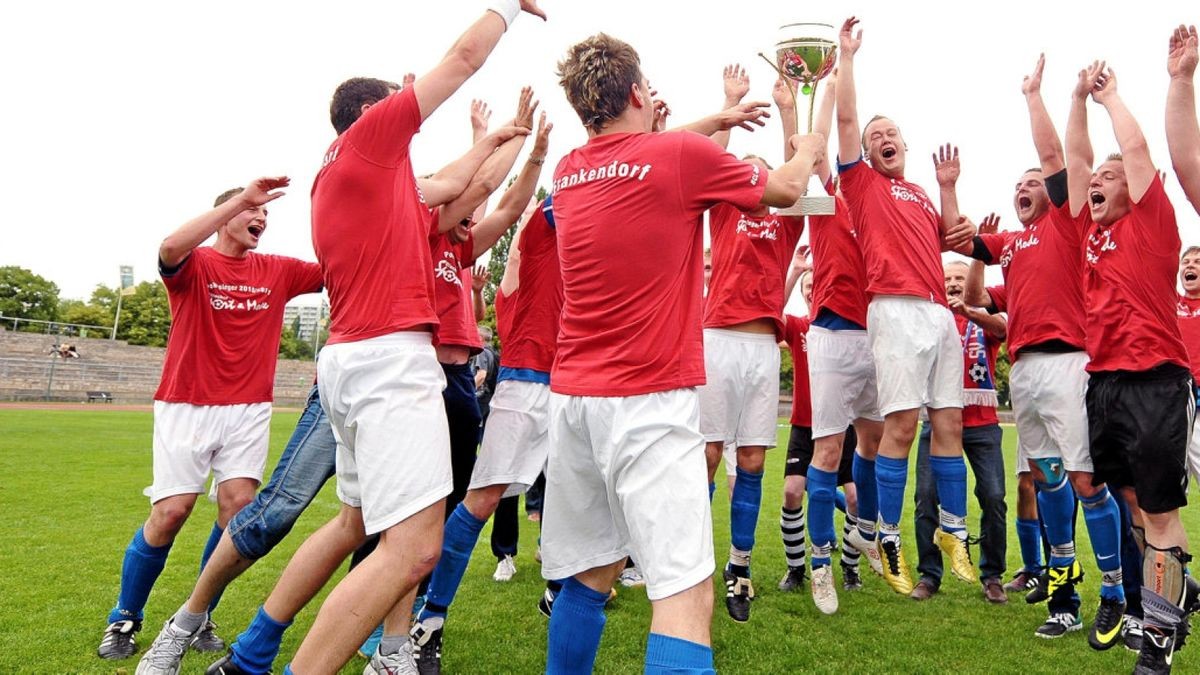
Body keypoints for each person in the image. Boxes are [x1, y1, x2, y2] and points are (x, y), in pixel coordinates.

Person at [204, 6, 547, 675]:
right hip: (391, 362)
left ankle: (254, 658)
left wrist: (500, 139)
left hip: (355, 361)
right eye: (400, 101)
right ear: (377, 112)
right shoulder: (373, 139)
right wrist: (506, 7)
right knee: (415, 548)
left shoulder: (358, 176)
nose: (410, 110)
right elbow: (464, 60)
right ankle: (371, 658)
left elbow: (461, 185)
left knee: (358, 525)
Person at [543, 31, 824, 674]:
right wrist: (806, 148)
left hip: (574, 402)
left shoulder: (570, 170)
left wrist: (720, 117)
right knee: (685, 592)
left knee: (590, 575)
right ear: (639, 93)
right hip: (649, 399)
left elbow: (637, 152)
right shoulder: (674, 157)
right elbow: (783, 190)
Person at [97, 179, 323, 663]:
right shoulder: (195, 264)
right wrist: (241, 199)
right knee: (171, 513)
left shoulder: (277, 271)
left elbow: (340, 270)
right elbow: (169, 247)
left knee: (236, 507)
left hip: (248, 408)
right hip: (187, 403)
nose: (261, 220)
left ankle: (198, 618)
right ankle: (125, 616)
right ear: (227, 214)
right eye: (253, 212)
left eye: (265, 215)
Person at [947, 53, 1128, 644]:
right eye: (1017, 185)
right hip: (1023, 373)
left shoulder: (1069, 221)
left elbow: (1055, 159)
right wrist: (948, 190)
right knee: (1049, 480)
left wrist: (1035, 95)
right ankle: (1064, 594)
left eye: (1032, 185)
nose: (1025, 188)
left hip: (1070, 365)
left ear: (1051, 195)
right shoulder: (1015, 240)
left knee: (1084, 482)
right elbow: (962, 241)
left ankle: (1116, 593)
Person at [834, 16, 976, 596]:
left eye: (891, 133)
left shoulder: (917, 192)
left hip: (938, 311)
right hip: (892, 309)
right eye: (875, 137)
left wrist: (947, 189)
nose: (883, 139)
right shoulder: (861, 184)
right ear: (867, 152)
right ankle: (887, 537)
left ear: (904, 146)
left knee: (950, 422)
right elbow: (845, 119)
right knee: (901, 425)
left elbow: (951, 239)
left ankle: (951, 530)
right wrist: (846, 59)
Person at [1069, 58, 1194, 673]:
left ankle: (1160, 643)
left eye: (1110, 176)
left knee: (1161, 511)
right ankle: (1176, 593)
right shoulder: (1090, 237)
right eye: (1098, 177)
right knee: (1136, 508)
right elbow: (1072, 161)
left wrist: (1111, 98)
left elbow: (1137, 148)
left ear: (1134, 188)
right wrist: (1071, 101)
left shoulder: (1152, 219)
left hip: (1155, 382)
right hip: (1105, 384)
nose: (1098, 180)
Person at [698, 63, 807, 623]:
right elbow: (705, 160)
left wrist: (789, 108)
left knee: (752, 459)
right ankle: (693, 560)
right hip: (717, 341)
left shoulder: (786, 219)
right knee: (709, 456)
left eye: (761, 171)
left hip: (764, 350)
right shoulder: (723, 211)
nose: (753, 175)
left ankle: (740, 568)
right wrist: (729, 102)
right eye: (745, 170)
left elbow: (798, 165)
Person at [910, 260, 1008, 604]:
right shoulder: (931, 318)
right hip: (936, 422)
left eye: (959, 279)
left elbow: (1002, 330)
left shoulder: (984, 317)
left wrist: (969, 309)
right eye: (948, 278)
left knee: (994, 497)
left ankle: (992, 575)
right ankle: (929, 573)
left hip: (982, 425)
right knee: (925, 496)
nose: (952, 284)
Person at [1178, 246, 1200, 484]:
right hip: (1174, 402)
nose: (1190, 265)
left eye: (1198, 262)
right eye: (1186, 262)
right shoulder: (1168, 304)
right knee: (1170, 484)